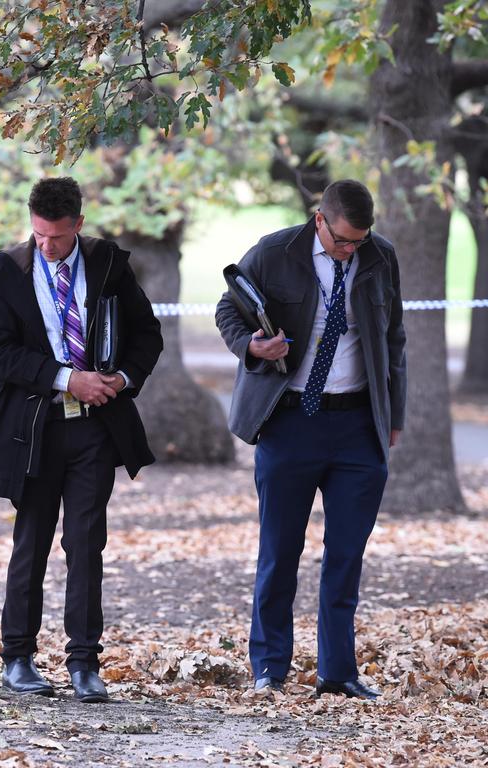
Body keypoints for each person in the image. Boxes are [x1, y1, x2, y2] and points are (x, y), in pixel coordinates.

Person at [0, 177, 163, 703]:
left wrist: (119, 380)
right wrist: (65, 377)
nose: (46, 247)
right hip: (31, 430)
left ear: (78, 224)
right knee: (30, 540)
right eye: (38, 235)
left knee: (86, 542)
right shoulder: (9, 271)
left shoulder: (108, 266)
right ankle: (17, 657)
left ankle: (84, 662)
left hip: (94, 430)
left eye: (56, 237)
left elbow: (148, 336)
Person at [215, 179, 406, 699]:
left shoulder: (379, 257)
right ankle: (270, 669)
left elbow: (394, 339)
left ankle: (338, 672)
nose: (351, 251)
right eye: (343, 240)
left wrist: (395, 416)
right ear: (319, 220)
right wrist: (252, 346)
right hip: (290, 420)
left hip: (357, 426)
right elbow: (227, 309)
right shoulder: (275, 252)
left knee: (346, 555)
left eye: (359, 241)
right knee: (280, 551)